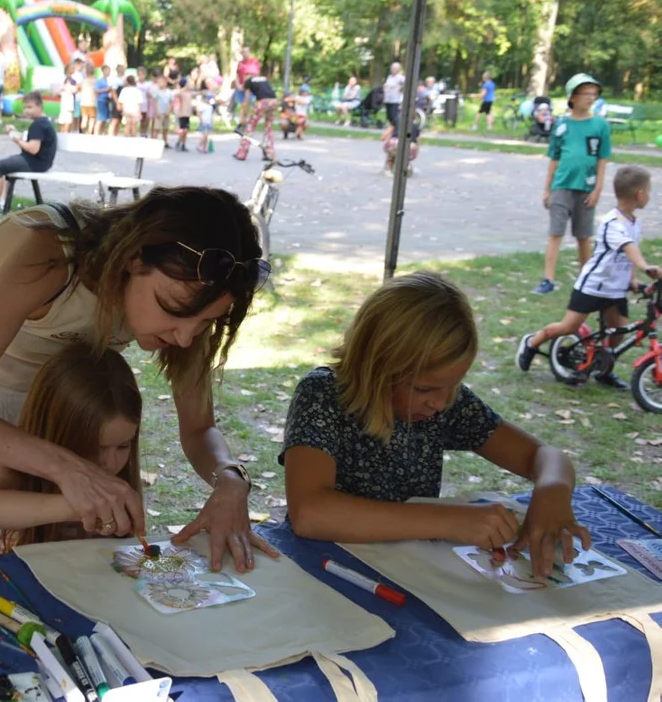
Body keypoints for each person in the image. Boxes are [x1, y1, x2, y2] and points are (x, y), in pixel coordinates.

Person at [0, 186, 280, 573]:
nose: (184, 338)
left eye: (206, 323)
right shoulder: (49, 254)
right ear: (132, 258)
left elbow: (199, 429)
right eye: (173, 310)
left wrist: (231, 479)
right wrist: (69, 469)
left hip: (61, 405)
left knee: (49, 566)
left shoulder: (196, 293)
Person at [281, 272, 588, 580]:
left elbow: (545, 455)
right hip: (323, 571)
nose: (440, 403)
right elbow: (309, 513)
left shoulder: (446, 403)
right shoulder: (325, 395)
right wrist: (447, 520)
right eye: (424, 389)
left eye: (452, 386)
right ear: (376, 366)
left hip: (408, 574)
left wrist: (553, 489)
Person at [0, 344, 142, 551]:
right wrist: (77, 507)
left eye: (123, 446)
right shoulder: (22, 467)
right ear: (57, 433)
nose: (111, 463)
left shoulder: (119, 482)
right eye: (96, 448)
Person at [518, 166, 658, 388]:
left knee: (618, 331)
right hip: (593, 287)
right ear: (640, 194)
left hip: (616, 289)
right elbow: (629, 248)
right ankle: (532, 343)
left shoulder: (634, 222)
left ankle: (603, 370)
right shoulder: (613, 222)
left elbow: (631, 252)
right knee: (567, 327)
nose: (650, 195)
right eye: (650, 191)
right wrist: (646, 267)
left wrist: (632, 278)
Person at [533, 73, 612, 295]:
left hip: (587, 187)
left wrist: (597, 189)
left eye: (593, 93)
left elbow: (602, 160)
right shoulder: (561, 125)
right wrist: (547, 189)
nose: (590, 97)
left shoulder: (600, 125)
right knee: (555, 233)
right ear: (573, 97)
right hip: (561, 186)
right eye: (585, 93)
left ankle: (585, 278)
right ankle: (548, 279)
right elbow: (554, 159)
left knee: (584, 236)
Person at [0, 91, 56, 219]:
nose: (26, 111)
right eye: (25, 107)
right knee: (8, 164)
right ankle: (3, 202)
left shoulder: (38, 124)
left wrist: (17, 140)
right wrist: (15, 133)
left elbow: (33, 149)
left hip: (36, 163)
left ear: (40, 107)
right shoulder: (43, 122)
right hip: (41, 162)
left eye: (30, 107)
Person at [234, 71, 276, 162]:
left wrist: (244, 116)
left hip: (262, 102)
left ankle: (242, 153)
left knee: (250, 126)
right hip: (273, 101)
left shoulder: (248, 81)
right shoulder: (263, 78)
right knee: (268, 127)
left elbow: (247, 100)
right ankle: (270, 153)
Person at [233, 46, 261, 124]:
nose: (244, 53)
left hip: (250, 87)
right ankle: (242, 122)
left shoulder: (254, 62)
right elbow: (237, 74)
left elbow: (255, 74)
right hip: (240, 87)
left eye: (246, 51)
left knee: (248, 103)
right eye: (243, 52)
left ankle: (247, 121)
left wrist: (246, 84)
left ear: (249, 52)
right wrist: (238, 84)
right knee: (242, 104)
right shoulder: (240, 63)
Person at [151, 72, 173, 147]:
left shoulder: (169, 92)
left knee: (165, 128)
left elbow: (171, 102)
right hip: (159, 113)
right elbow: (154, 102)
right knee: (156, 128)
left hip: (166, 113)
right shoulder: (157, 92)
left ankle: (165, 142)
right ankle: (154, 143)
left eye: (161, 82)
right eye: (158, 82)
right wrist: (157, 112)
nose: (159, 84)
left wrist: (169, 111)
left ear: (165, 82)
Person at [382, 62, 405, 128]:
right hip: (387, 99)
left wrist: (401, 89)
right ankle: (392, 128)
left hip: (395, 99)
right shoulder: (389, 77)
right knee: (389, 115)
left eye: (394, 68)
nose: (393, 69)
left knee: (394, 115)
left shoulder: (401, 77)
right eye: (392, 68)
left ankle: (396, 128)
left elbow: (406, 84)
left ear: (398, 69)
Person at [174, 77, 194, 152]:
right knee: (183, 130)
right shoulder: (181, 93)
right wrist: (183, 88)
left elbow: (198, 93)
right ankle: (179, 142)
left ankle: (183, 144)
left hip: (187, 114)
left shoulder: (190, 93)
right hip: (182, 113)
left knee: (186, 130)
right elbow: (176, 94)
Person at [58, 62, 77, 133]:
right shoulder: (69, 80)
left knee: (64, 119)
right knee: (67, 120)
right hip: (68, 102)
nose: (73, 69)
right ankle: (65, 133)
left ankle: (63, 132)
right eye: (72, 68)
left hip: (65, 102)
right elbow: (73, 90)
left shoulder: (65, 79)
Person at [80, 63, 98, 134]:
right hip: (92, 102)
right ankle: (90, 132)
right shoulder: (95, 81)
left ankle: (82, 129)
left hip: (84, 101)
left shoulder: (84, 80)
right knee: (92, 118)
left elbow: (80, 89)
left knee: (84, 117)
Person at [109, 63, 127, 136]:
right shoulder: (115, 79)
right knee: (115, 119)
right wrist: (117, 102)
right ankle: (111, 135)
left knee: (119, 120)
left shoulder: (125, 79)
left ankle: (116, 134)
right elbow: (113, 91)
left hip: (123, 101)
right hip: (117, 101)